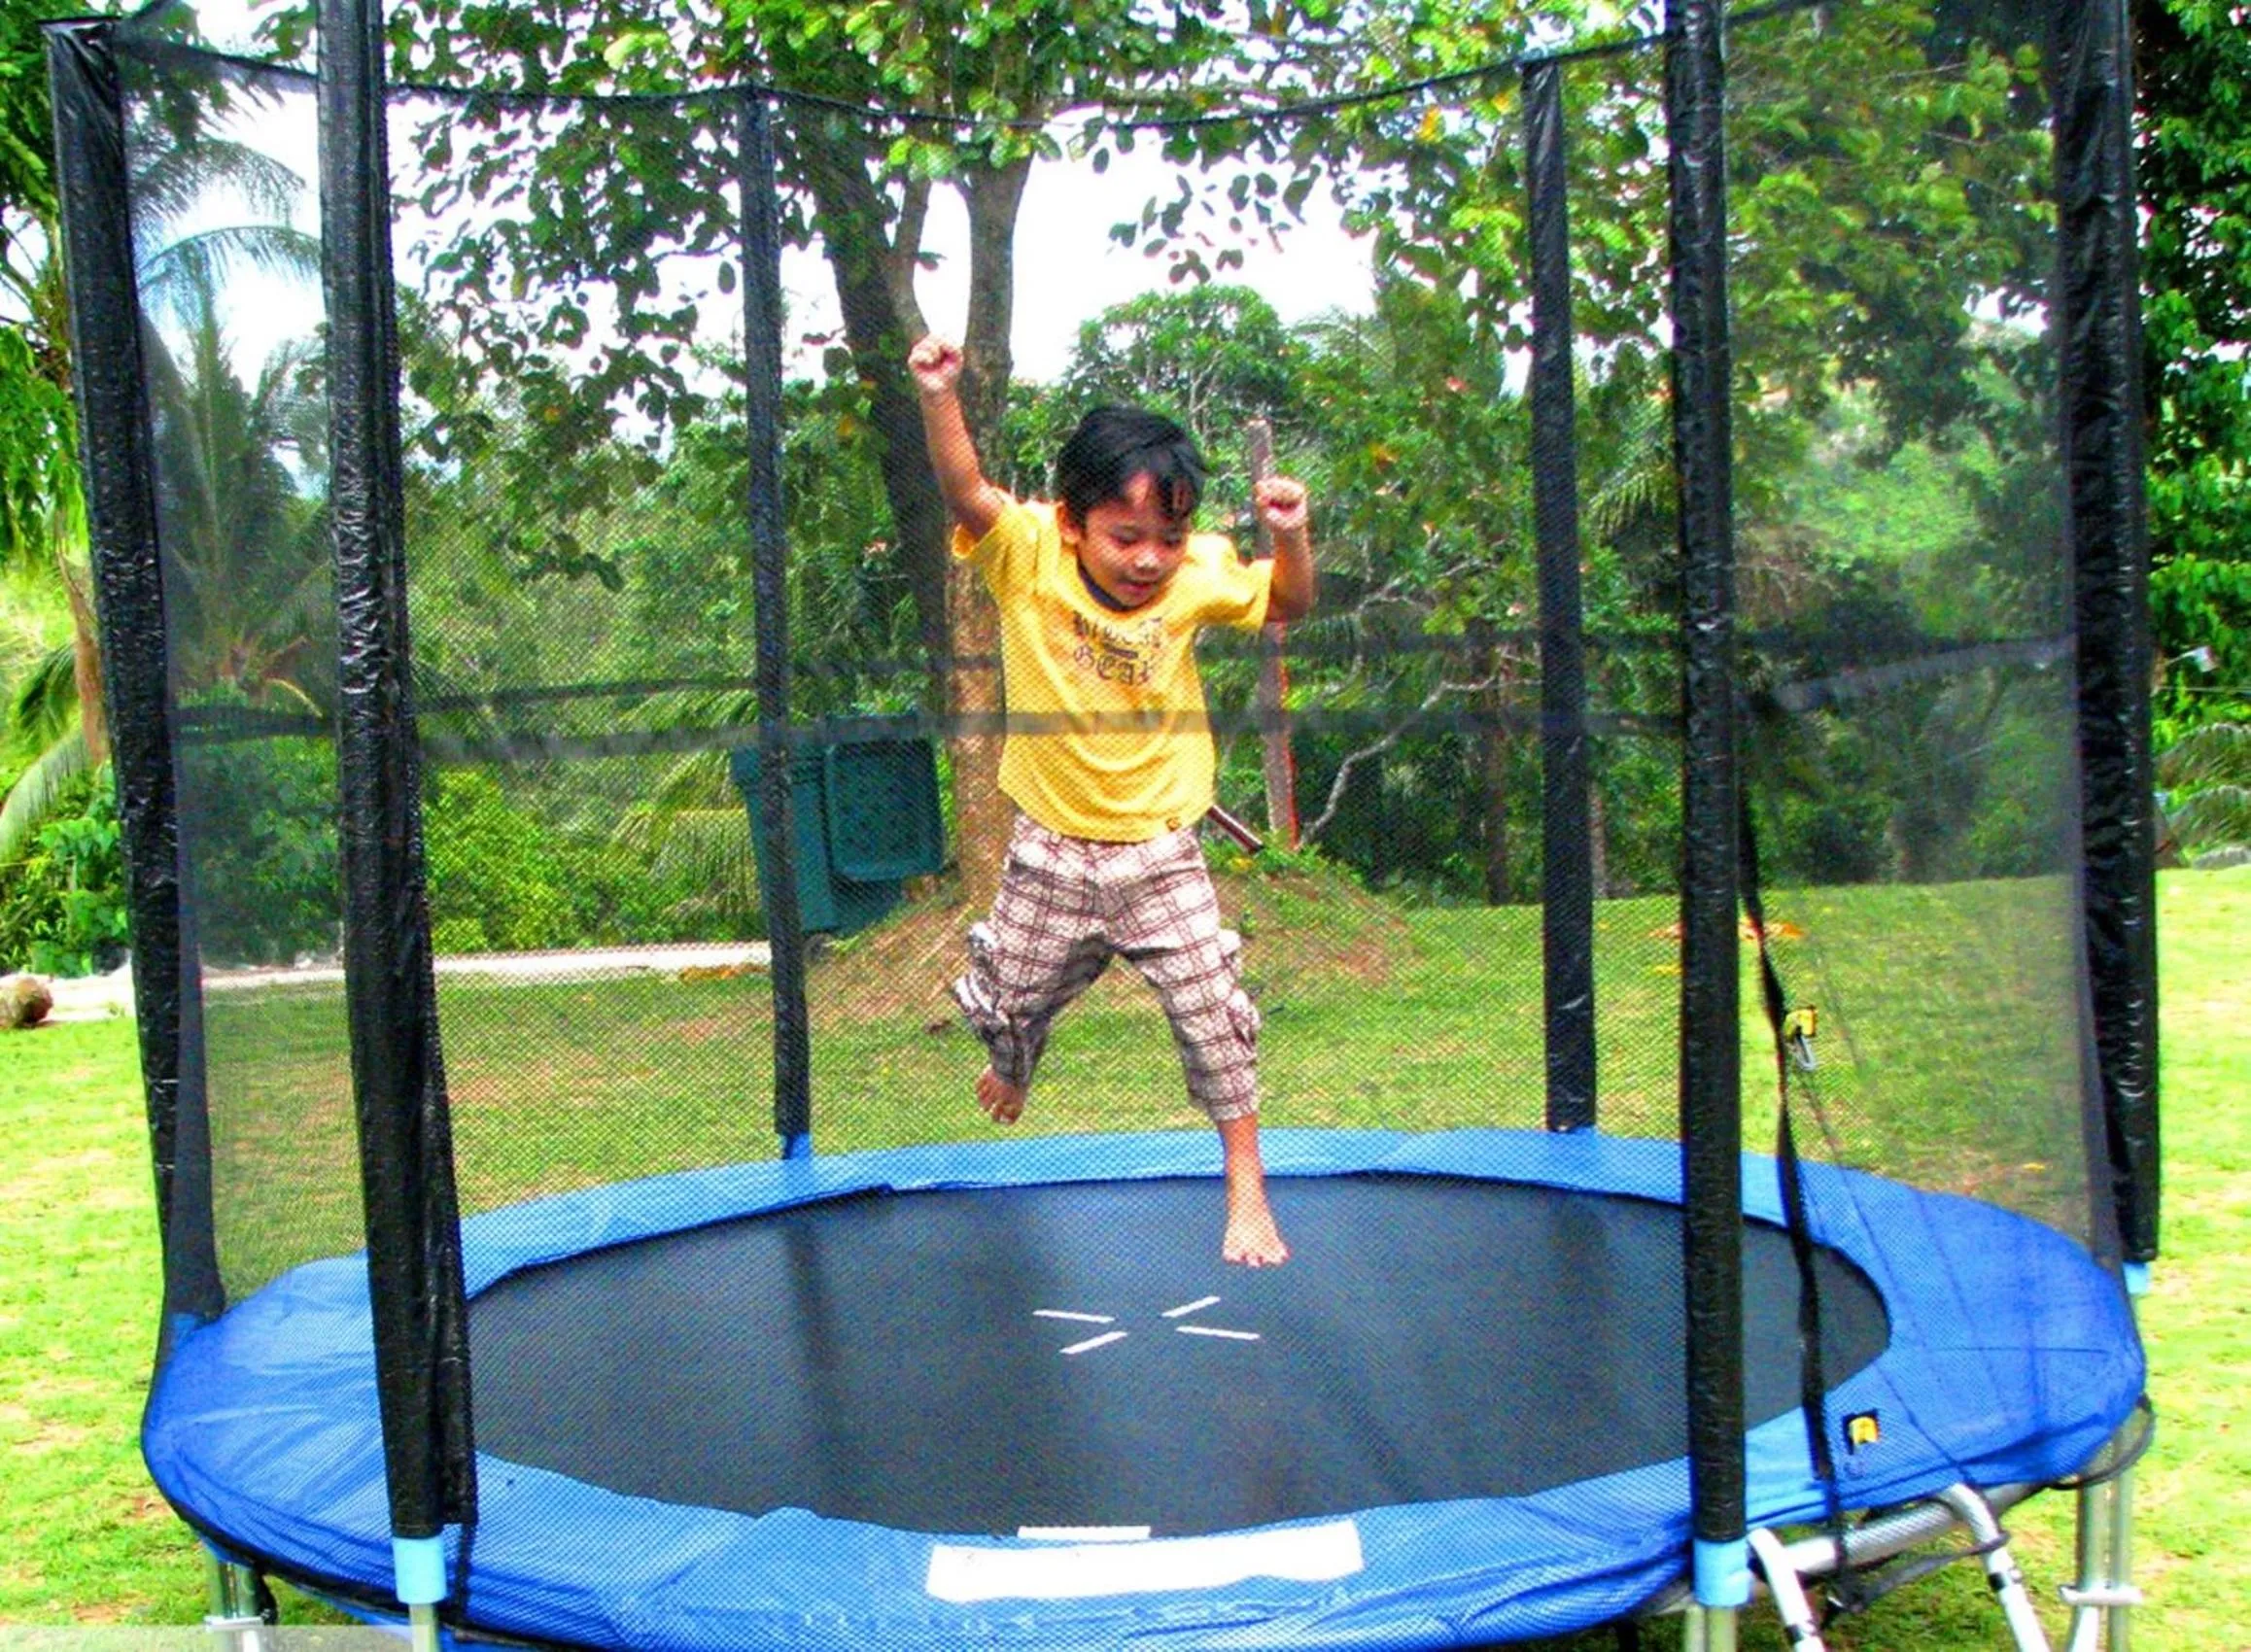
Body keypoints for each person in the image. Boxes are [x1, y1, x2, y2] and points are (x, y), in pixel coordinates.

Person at [909, 333, 1316, 1266]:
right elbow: (967, 492)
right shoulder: (1023, 554)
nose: (1148, 560)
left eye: (1167, 540)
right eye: (1126, 538)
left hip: (1159, 849)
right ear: (1071, 523)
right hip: (1051, 844)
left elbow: (1288, 605)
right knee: (1006, 1005)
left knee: (1214, 1011)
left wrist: (1288, 536)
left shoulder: (1200, 573)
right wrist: (940, 395)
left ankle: (1247, 1193)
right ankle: (1013, 1064)